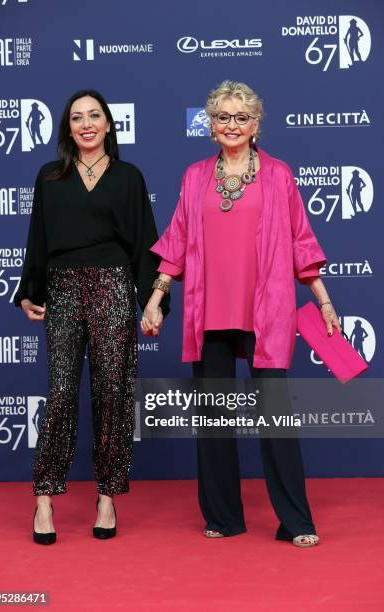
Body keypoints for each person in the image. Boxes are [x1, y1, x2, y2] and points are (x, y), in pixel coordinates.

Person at [143, 80, 340, 547]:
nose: (232, 125)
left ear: (255, 125)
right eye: (223, 117)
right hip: (208, 311)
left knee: (275, 418)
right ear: (210, 126)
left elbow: (300, 243)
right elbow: (175, 242)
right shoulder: (194, 177)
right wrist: (156, 296)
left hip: (265, 311)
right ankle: (223, 516)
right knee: (214, 420)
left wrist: (324, 300)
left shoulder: (278, 175)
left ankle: (295, 521)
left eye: (241, 117)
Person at [15, 89, 167, 544]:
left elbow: (145, 243)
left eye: (94, 116)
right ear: (68, 128)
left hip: (113, 287)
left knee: (113, 393)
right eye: (77, 117)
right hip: (61, 287)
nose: (86, 124)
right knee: (60, 392)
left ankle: (107, 495)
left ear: (107, 124)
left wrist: (153, 300)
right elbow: (37, 239)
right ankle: (44, 497)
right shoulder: (50, 176)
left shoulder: (127, 176)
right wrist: (29, 290)